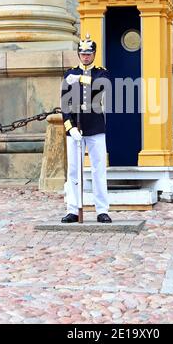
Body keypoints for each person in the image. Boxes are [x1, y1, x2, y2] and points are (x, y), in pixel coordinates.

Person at [60, 34, 112, 224]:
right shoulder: (69, 74)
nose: (85, 57)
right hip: (75, 128)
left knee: (99, 169)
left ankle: (101, 210)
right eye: (82, 54)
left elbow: (103, 85)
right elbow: (65, 105)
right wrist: (70, 127)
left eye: (89, 54)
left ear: (94, 54)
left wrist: (81, 79)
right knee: (74, 170)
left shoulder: (101, 72)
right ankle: (73, 209)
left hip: (95, 127)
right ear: (78, 54)